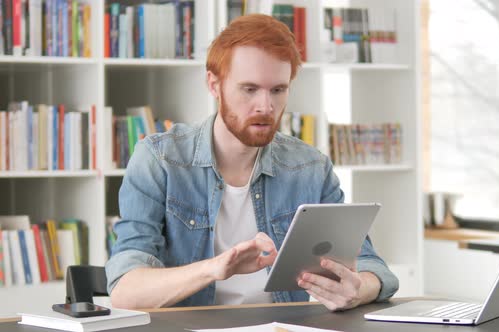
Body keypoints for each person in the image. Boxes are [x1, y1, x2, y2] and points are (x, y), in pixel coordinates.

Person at [106, 14, 398, 311]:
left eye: (278, 90)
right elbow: (125, 291)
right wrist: (214, 268)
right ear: (214, 84)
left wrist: (358, 288)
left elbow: (372, 266)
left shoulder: (310, 167)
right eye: (249, 89)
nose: (265, 106)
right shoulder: (160, 160)